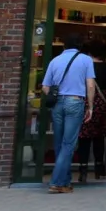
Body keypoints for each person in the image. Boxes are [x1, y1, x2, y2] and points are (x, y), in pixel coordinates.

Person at [42, 41, 96, 194]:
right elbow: (90, 85)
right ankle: (57, 182)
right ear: (79, 47)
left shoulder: (55, 60)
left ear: (64, 46)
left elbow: (46, 86)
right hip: (75, 101)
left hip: (57, 103)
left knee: (59, 143)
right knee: (69, 144)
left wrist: (56, 96)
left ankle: (64, 182)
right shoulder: (86, 60)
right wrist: (90, 106)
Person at [77, 40, 106, 182]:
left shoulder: (84, 66)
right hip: (101, 104)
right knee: (99, 137)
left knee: (84, 138)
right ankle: (99, 169)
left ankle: (82, 169)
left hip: (86, 103)